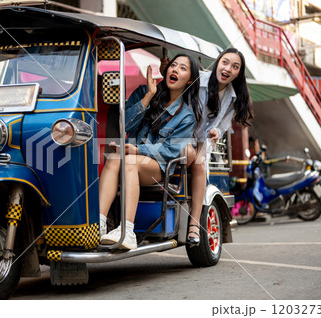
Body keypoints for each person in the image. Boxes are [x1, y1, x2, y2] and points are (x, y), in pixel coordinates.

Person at [99, 53, 200, 250]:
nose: (175, 69)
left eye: (182, 68)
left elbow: (170, 150)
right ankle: (99, 225)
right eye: (173, 65)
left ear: (189, 80)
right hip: (132, 156)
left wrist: (138, 150)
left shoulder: (187, 116)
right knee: (113, 159)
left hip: (158, 167)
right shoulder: (144, 91)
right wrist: (148, 97)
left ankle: (127, 231)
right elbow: (124, 124)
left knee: (129, 161)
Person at [185, 48, 254, 246]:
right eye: (225, 62)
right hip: (180, 135)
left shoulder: (233, 98)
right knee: (194, 161)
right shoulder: (199, 79)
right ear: (217, 62)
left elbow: (221, 127)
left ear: (238, 73)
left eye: (235, 67)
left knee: (199, 164)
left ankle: (194, 225)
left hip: (202, 143)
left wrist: (215, 133)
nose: (228, 69)